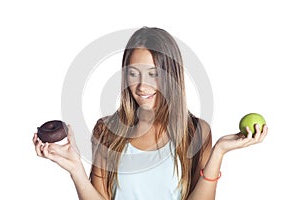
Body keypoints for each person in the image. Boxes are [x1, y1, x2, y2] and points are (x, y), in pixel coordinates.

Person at [33, 27, 268, 200]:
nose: (142, 87)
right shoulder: (106, 130)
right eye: (133, 74)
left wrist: (219, 152)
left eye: (153, 74)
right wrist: (76, 170)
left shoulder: (196, 131)